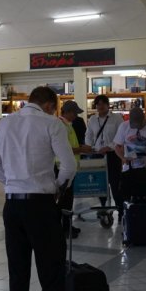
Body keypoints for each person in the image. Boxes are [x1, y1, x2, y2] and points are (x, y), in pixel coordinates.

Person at [0, 86, 85, 291]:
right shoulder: (52, 124)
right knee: (51, 279)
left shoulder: (4, 124)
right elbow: (69, 167)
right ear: (51, 105)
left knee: (18, 278)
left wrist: (12, 181)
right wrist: (56, 188)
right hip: (41, 208)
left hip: (13, 207)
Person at [57, 100, 93, 239]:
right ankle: (64, 228)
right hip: (62, 169)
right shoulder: (61, 126)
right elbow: (64, 150)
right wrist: (82, 150)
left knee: (68, 200)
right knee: (64, 200)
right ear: (67, 112)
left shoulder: (68, 125)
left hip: (69, 169)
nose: (76, 116)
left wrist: (81, 149)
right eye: (74, 113)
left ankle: (67, 225)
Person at [86, 94, 123, 220]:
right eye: (98, 104)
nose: (100, 106)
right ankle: (103, 208)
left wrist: (109, 147)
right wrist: (90, 147)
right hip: (97, 155)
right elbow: (88, 135)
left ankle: (120, 210)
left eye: (103, 104)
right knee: (100, 183)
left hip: (113, 154)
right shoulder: (92, 119)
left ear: (108, 105)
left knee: (115, 183)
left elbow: (120, 137)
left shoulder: (117, 118)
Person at [114, 107, 146, 172]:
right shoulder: (124, 126)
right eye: (134, 125)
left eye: (138, 125)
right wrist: (123, 158)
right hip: (129, 167)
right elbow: (117, 146)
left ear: (144, 118)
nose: (136, 127)